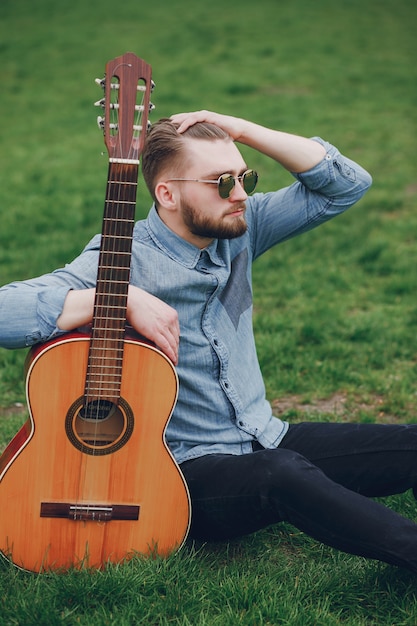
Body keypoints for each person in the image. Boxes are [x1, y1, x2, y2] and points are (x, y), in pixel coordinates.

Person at [1, 109, 417, 574]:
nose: (239, 195)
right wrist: (113, 298)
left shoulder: (239, 226)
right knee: (284, 475)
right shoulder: (120, 257)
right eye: (222, 183)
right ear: (168, 194)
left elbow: (347, 184)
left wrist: (240, 130)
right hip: (177, 474)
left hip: (263, 436)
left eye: (246, 178)